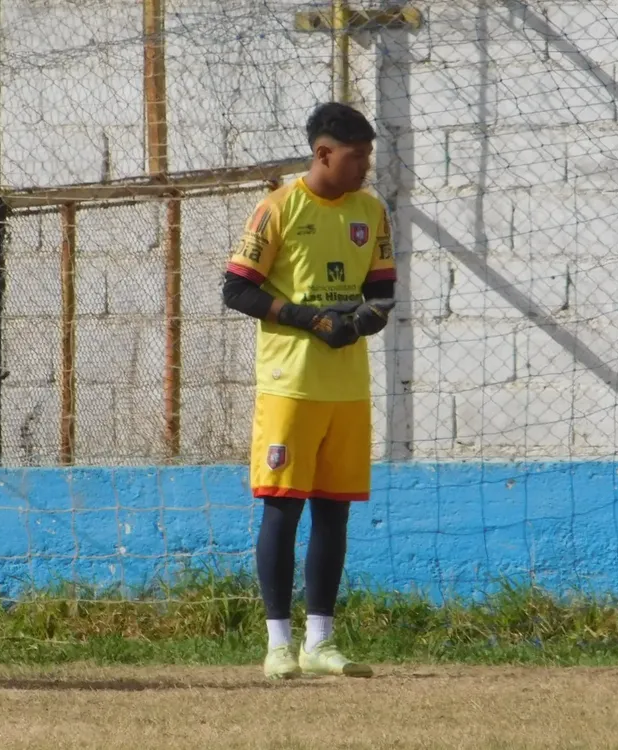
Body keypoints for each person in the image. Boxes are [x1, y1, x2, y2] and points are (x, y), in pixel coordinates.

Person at [221, 101, 396, 680]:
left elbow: (383, 291)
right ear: (323, 153)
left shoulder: (371, 212)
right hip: (289, 386)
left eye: (368, 156)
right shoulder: (277, 208)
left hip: (347, 390)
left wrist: (363, 319)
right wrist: (310, 319)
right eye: (356, 156)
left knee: (334, 513)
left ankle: (320, 642)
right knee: (282, 508)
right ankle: (277, 644)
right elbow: (237, 290)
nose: (364, 167)